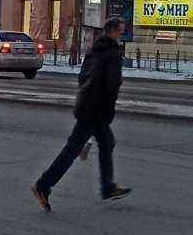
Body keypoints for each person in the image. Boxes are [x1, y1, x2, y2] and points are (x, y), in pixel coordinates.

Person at [31, 18, 131, 211]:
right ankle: (43, 185)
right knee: (72, 149)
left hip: (88, 105)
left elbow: (83, 77)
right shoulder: (112, 52)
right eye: (120, 31)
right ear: (112, 31)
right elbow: (111, 84)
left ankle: (108, 186)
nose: (122, 34)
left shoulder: (94, 50)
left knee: (107, 142)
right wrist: (106, 105)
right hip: (96, 110)